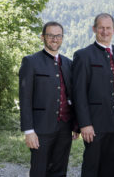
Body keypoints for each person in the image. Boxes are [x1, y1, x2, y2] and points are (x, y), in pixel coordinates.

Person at [72, 13, 114, 177]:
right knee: (92, 165)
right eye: (101, 28)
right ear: (94, 29)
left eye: (108, 28)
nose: (105, 31)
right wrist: (84, 123)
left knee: (113, 164)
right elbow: (78, 93)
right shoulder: (83, 55)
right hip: (94, 123)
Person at [19, 21, 79, 176]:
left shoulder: (68, 63)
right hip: (40, 128)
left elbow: (72, 97)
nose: (54, 39)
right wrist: (29, 131)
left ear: (62, 38)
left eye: (58, 35)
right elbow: (25, 98)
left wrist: (75, 124)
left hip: (65, 127)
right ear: (42, 37)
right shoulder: (30, 62)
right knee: (39, 171)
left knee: (59, 171)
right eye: (50, 35)